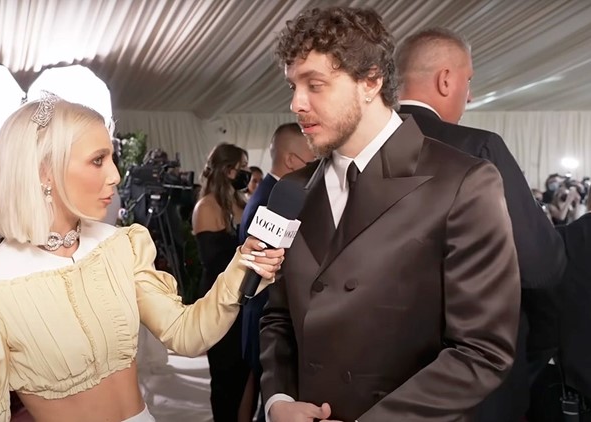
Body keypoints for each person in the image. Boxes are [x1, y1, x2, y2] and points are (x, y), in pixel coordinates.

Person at [0, 93, 285, 422]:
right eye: (98, 160)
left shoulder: (120, 246)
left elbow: (186, 334)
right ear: (44, 171)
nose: (115, 175)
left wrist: (244, 264)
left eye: (111, 157)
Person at [260, 7, 521, 422]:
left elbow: (482, 351)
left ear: (371, 80)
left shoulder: (464, 182)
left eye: (316, 85)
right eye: (293, 85)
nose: (296, 103)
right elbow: (277, 317)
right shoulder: (291, 192)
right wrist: (277, 402)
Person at [395, 27, 568, 421]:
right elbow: (541, 265)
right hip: (466, 376)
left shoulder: (356, 152)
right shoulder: (477, 149)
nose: (469, 95)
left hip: (375, 373)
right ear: (445, 79)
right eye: (468, 81)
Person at [239, 122, 314, 422]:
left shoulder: (270, 192)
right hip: (265, 314)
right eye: (313, 162)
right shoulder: (275, 200)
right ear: (292, 161)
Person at [192, 142, 254, 422]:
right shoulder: (205, 207)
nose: (246, 174)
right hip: (220, 302)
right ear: (228, 171)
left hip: (248, 301)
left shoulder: (243, 202)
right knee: (225, 377)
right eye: (241, 168)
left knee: (246, 373)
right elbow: (214, 262)